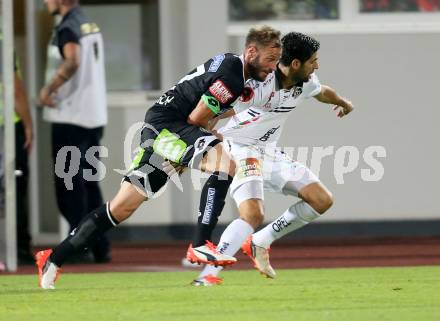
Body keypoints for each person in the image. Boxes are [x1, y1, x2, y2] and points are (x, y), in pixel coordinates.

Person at [35, 25, 282, 290]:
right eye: (270, 60)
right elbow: (196, 119)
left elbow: (206, 112)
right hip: (168, 126)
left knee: (122, 207)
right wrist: (195, 149)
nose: (272, 67)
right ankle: (200, 244)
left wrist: (194, 147)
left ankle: (52, 258)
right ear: (251, 52)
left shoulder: (234, 67)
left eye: (277, 62)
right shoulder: (233, 78)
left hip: (164, 127)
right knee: (224, 164)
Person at [190, 32, 354, 286]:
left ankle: (260, 241)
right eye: (313, 61)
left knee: (321, 200)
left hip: (269, 152)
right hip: (240, 149)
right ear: (296, 64)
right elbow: (215, 109)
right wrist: (204, 142)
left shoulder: (306, 80)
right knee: (253, 214)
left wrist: (344, 102)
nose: (317, 66)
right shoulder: (256, 85)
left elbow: (322, 92)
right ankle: (207, 276)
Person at [38, 0, 110, 263]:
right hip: (93, 116)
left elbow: (72, 61)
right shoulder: (88, 22)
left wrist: (48, 90)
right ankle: (101, 245)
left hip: (71, 116)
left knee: (69, 187)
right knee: (89, 184)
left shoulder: (68, 26)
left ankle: (78, 244)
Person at [0, 49, 34, 264]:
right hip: (7, 125)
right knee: (14, 188)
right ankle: (18, 250)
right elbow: (14, 87)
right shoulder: (3, 40)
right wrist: (28, 124)